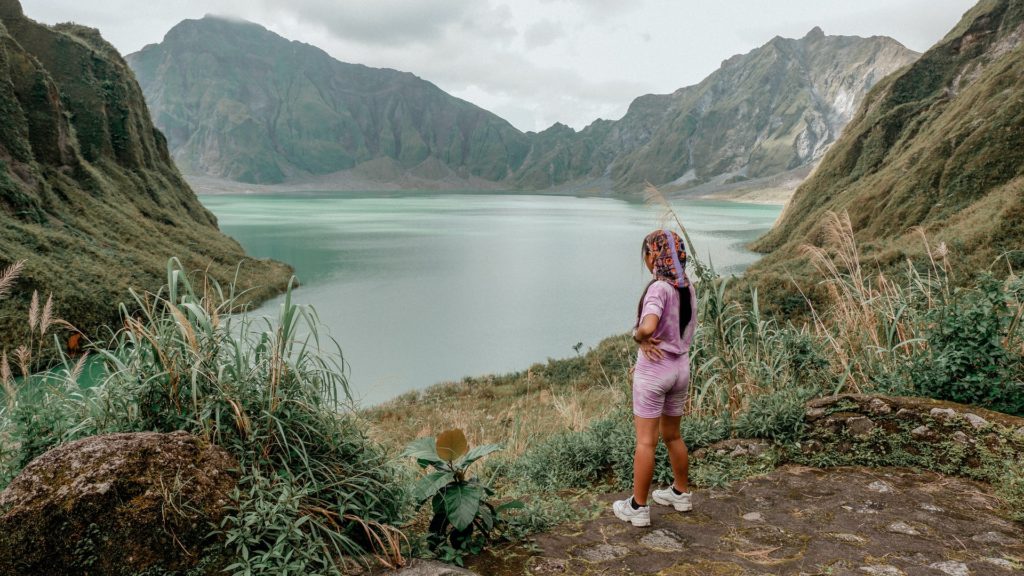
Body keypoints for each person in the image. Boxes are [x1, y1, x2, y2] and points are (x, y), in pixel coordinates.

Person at [612, 229, 697, 527]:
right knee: (672, 435)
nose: (647, 260)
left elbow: (648, 326)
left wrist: (639, 337)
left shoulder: (659, 289)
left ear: (654, 256)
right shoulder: (687, 288)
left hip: (654, 372)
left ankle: (638, 507)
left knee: (646, 442)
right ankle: (681, 493)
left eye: (647, 254)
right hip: (680, 369)